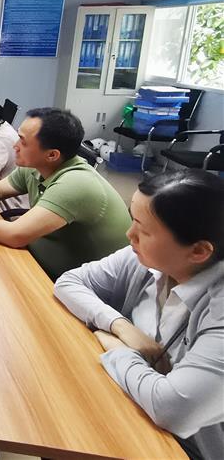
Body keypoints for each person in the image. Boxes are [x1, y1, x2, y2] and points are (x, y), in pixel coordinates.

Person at [55, 170, 223, 460]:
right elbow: (69, 282)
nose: (129, 235)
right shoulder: (148, 259)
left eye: (144, 231)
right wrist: (120, 326)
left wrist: (117, 348)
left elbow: (172, 409)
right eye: (133, 220)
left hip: (183, 449)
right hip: (130, 409)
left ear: (198, 251)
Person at [0, 107, 130, 280]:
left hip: (74, 284)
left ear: (52, 154)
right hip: (36, 260)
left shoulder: (75, 183)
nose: (15, 146)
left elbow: (15, 235)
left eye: (23, 141)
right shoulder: (38, 166)